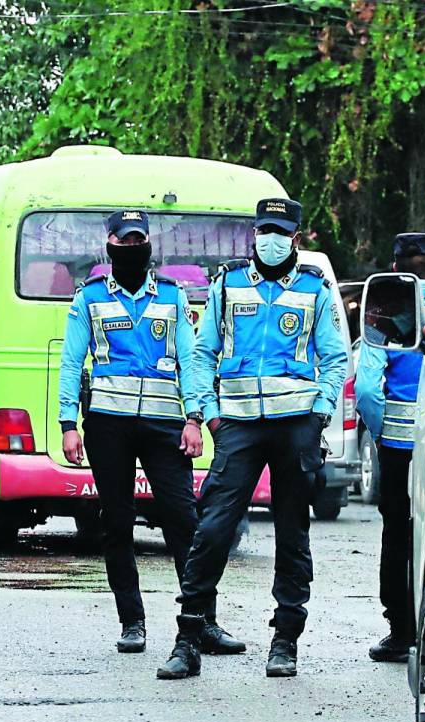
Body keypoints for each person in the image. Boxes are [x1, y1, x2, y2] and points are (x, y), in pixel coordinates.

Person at [158, 198, 348, 680]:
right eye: (264, 229)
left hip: (295, 426)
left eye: (280, 231)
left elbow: (336, 358)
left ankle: (285, 640)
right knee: (214, 527)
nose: (271, 238)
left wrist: (320, 413)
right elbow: (202, 354)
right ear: (254, 234)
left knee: (292, 533)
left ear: (296, 238)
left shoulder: (315, 291)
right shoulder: (227, 285)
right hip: (238, 425)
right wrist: (208, 413)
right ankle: (189, 635)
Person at [58, 209, 244, 656]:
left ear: (148, 245)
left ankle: (203, 621)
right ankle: (132, 622)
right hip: (108, 424)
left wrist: (194, 418)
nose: (133, 247)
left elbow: (191, 359)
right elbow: (70, 362)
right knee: (117, 523)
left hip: (165, 425)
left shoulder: (172, 297)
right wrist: (68, 424)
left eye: (139, 239)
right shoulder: (90, 299)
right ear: (111, 245)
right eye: (125, 241)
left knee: (184, 521)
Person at [355, 233, 425, 663]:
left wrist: (380, 430)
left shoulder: (385, 306)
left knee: (398, 531)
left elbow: (369, 388)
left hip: (397, 445)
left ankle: (401, 630)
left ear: (395, 268)